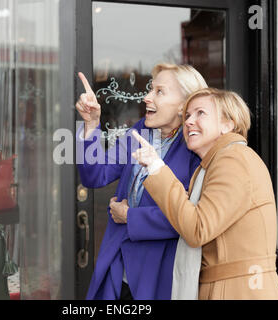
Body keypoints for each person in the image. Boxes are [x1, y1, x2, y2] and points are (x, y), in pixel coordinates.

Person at [132, 88, 278, 299]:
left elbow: (197, 228)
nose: (188, 121)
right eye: (187, 116)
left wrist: (157, 168)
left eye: (200, 113)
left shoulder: (232, 160)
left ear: (227, 124)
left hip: (238, 291)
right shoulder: (218, 162)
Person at [75, 63, 208, 299]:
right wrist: (91, 124)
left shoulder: (195, 149)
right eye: (150, 89)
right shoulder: (141, 132)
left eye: (159, 91)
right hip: (118, 266)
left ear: (183, 105)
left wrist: (130, 217)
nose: (146, 98)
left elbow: (192, 219)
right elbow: (94, 175)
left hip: (158, 274)